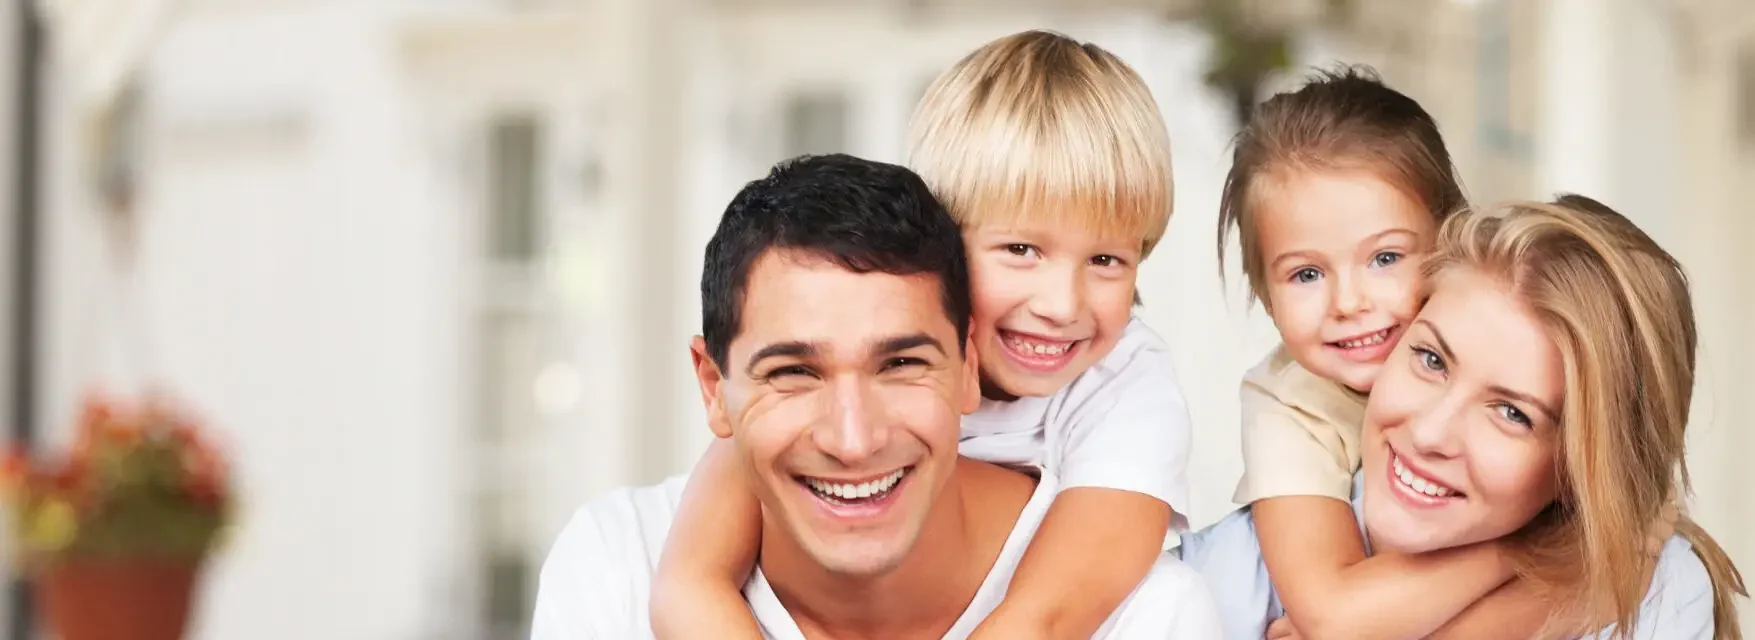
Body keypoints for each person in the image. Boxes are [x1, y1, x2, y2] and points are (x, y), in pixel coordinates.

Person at [531, 154, 1221, 639]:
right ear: (714, 386)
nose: (852, 438)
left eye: (900, 363)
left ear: (966, 362)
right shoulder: (618, 567)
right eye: (793, 374)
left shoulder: (1145, 618)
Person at [651, 31, 1197, 639]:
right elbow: (689, 586)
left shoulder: (1126, 384)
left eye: (1107, 261)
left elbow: (1045, 616)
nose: (1061, 305)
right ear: (940, 246)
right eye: (1020, 249)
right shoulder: (818, 388)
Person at [1184, 196, 1747, 639]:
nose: (1429, 433)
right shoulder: (1216, 585)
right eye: (1430, 359)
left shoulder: (1662, 591)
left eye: (1511, 413)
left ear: (1583, 465)